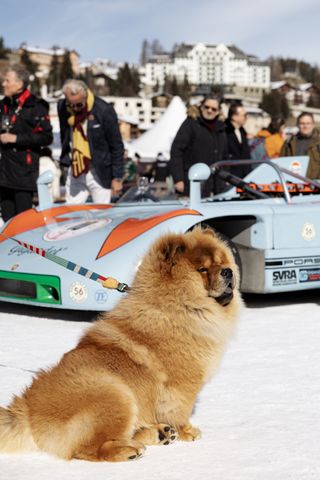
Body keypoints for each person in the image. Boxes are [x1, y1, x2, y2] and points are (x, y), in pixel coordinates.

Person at [0, 65, 53, 222]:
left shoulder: (36, 106)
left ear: (19, 84)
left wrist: (16, 139)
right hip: (4, 172)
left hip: (24, 173)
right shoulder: (4, 104)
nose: (3, 84)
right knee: (7, 221)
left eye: (7, 81)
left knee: (22, 222)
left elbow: (46, 137)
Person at [58, 79, 124, 204]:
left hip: (99, 169)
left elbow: (116, 145)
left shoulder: (104, 110)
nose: (75, 108)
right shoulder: (62, 107)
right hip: (76, 166)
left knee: (102, 215)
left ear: (85, 96)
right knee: (70, 212)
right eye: (70, 104)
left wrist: (117, 177)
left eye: (78, 104)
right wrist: (65, 159)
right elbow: (64, 134)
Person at [169, 96, 228, 196]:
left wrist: (225, 179)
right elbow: (176, 151)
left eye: (213, 109)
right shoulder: (190, 124)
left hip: (215, 186)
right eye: (207, 107)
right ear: (201, 107)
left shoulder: (221, 128)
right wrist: (178, 179)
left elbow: (225, 156)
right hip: (192, 183)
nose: (209, 111)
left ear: (218, 112)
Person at [280, 112, 320, 179]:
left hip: (314, 185)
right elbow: (281, 162)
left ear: (313, 125)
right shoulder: (289, 142)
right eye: (302, 123)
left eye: (308, 123)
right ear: (298, 125)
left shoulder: (318, 142)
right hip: (292, 184)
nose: (305, 126)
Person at [224, 103, 252, 178]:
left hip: (244, 176)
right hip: (231, 177)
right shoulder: (225, 132)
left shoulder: (242, 132)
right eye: (244, 115)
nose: (246, 117)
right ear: (234, 117)